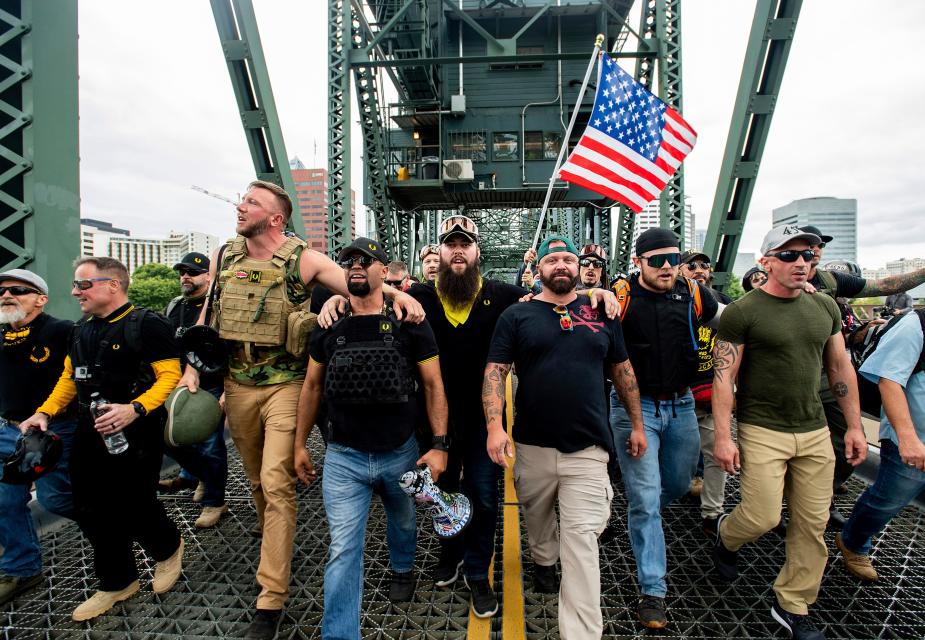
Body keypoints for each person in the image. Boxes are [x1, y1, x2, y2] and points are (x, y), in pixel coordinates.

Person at [175, 180, 423, 639]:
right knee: (256, 481)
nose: (240, 205)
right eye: (241, 198)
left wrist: (398, 294)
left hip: (285, 383)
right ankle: (270, 535)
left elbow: (355, 282)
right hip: (237, 381)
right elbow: (208, 315)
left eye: (251, 202)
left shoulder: (301, 257)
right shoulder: (224, 256)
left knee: (276, 482)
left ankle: (270, 599)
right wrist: (192, 369)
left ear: (276, 217)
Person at [483, 235, 646, 639]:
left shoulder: (601, 311)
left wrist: (638, 425)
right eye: (551, 259)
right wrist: (494, 426)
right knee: (538, 525)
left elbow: (623, 371)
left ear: (579, 269)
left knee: (582, 545)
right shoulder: (516, 317)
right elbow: (495, 372)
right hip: (533, 446)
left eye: (568, 259)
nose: (561, 265)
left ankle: (582, 633)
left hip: (589, 450)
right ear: (537, 269)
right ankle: (542, 559)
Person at [711, 225, 869, 640]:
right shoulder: (743, 312)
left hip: (814, 429)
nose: (801, 262)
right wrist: (724, 436)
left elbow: (839, 368)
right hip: (763, 428)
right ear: (765, 262)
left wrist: (854, 426)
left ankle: (793, 604)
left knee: (811, 524)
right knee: (761, 517)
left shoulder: (825, 309)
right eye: (789, 255)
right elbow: (724, 376)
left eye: (807, 255)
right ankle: (728, 535)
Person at [293, 237, 448, 640]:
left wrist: (439, 444)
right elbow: (311, 387)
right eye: (349, 262)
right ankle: (340, 635)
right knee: (343, 549)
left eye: (366, 260)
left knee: (403, 520)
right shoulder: (329, 326)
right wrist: (298, 445)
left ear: (384, 270)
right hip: (344, 457)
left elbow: (433, 385)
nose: (356, 266)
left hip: (400, 452)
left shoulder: (410, 323)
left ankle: (402, 566)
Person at [20, 257, 185, 622]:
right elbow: (69, 379)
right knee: (90, 506)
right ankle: (117, 581)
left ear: (113, 285)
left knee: (136, 502)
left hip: (137, 432)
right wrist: (44, 412)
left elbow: (169, 375)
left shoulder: (146, 324)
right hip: (89, 430)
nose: (75, 292)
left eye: (83, 284)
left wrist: (135, 409)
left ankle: (168, 547)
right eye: (76, 285)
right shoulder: (81, 331)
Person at [797, 224, 925, 529]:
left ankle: (822, 503)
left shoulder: (830, 281)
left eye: (816, 246)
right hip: (786, 381)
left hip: (827, 377)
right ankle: (779, 505)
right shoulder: (773, 279)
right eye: (802, 247)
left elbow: (883, 286)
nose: (812, 252)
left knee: (843, 445)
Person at [608, 228, 720, 628]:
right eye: (657, 260)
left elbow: (732, 320)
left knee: (675, 484)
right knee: (646, 500)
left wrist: (809, 290)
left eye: (673, 258)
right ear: (639, 262)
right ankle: (653, 591)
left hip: (683, 404)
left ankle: (637, 509)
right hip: (633, 410)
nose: (668, 267)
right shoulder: (619, 297)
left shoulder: (693, 294)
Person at [835, 255, 925, 582]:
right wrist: (907, 438)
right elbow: (890, 379)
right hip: (919, 444)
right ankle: (853, 542)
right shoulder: (919, 324)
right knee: (884, 504)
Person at [0, 269, 76, 606]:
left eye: (18, 290)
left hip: (51, 431)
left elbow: (79, 378)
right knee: (4, 501)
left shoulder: (61, 330)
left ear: (40, 299)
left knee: (56, 499)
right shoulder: (1, 336)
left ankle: (123, 523)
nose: (6, 296)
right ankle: (22, 567)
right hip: (8, 429)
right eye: (1, 292)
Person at [161, 252, 228, 529]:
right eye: (182, 272)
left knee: (210, 445)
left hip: (212, 385)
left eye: (192, 271)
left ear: (209, 276)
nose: (185, 276)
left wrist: (227, 391)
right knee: (174, 438)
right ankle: (192, 477)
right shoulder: (175, 307)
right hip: (179, 384)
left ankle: (215, 500)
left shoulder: (220, 306)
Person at [678, 250, 732, 536]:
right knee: (675, 459)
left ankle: (713, 513)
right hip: (675, 394)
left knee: (716, 455)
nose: (700, 269)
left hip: (709, 392)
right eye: (692, 265)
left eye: (704, 266)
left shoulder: (724, 303)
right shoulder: (674, 301)